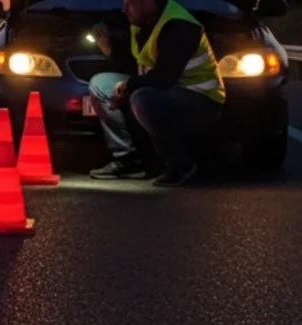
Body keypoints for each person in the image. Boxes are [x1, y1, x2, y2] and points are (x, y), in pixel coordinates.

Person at [88, 0, 226, 187]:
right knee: (100, 84)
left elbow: (164, 78)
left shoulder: (179, 26)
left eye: (130, 3)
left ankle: (179, 164)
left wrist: (128, 87)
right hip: (167, 93)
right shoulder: (142, 23)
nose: (124, 9)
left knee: (143, 99)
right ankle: (128, 160)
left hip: (201, 101)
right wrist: (111, 51)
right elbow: (139, 64)